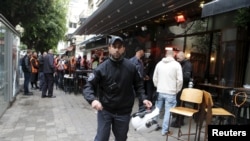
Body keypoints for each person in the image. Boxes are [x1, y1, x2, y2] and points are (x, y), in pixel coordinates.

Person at [83, 35, 152, 141]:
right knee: (101, 138)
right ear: (109, 48)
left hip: (123, 112)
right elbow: (88, 86)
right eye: (114, 46)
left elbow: (139, 85)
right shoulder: (101, 68)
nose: (116, 49)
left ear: (123, 48)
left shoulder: (131, 67)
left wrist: (144, 98)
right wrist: (93, 100)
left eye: (119, 47)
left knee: (121, 138)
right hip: (105, 109)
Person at [152, 49, 183, 136]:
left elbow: (155, 77)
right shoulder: (177, 65)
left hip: (160, 90)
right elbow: (180, 80)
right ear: (173, 55)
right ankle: (165, 131)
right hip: (171, 92)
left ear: (166, 55)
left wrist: (157, 86)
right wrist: (177, 90)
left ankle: (154, 126)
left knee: (157, 110)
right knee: (168, 112)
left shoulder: (159, 64)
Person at [171, 51, 193, 127]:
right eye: (177, 57)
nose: (177, 58)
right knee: (179, 104)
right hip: (180, 87)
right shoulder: (181, 63)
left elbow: (187, 77)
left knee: (180, 104)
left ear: (183, 56)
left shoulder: (187, 64)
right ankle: (179, 120)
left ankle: (179, 122)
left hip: (183, 88)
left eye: (179, 57)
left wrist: (177, 77)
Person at [129, 45, 146, 111]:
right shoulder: (131, 61)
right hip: (133, 83)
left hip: (140, 82)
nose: (144, 53)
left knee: (141, 97)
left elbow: (141, 71)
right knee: (131, 97)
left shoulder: (140, 61)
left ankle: (141, 110)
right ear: (140, 51)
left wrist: (144, 76)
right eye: (143, 51)